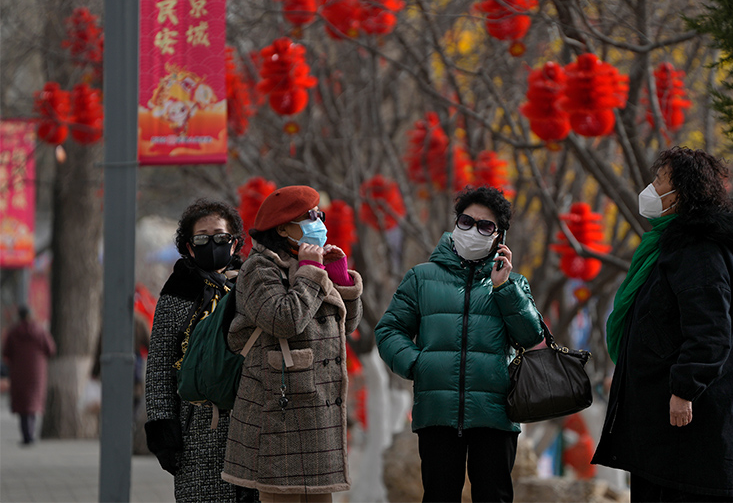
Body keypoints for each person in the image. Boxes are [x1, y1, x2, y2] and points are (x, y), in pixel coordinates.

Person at [591, 147, 733, 502]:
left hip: (689, 434)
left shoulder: (700, 251)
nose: (650, 188)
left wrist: (685, 389)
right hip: (664, 437)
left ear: (681, 194)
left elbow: (711, 332)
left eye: (658, 182)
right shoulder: (671, 246)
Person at [375, 185, 545, 503]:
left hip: (496, 414)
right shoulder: (420, 278)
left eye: (485, 225)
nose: (473, 230)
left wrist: (504, 288)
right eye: (467, 221)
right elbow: (389, 330)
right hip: (437, 412)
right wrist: (417, 364)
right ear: (456, 224)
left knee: (493, 497)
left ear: (499, 236)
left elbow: (532, 338)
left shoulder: (513, 283)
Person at [221, 186, 363, 503]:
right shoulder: (259, 268)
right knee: (279, 496)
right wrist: (311, 273)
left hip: (318, 409)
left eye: (320, 215)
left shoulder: (309, 262)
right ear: (283, 228)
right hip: (279, 410)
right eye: (310, 217)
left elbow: (346, 327)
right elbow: (284, 320)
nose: (319, 223)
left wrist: (338, 277)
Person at [144, 198, 256, 502]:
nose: (212, 244)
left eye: (220, 236)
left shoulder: (253, 286)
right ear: (189, 246)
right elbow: (159, 365)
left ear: (234, 243)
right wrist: (163, 430)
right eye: (202, 238)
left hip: (252, 424)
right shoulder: (177, 292)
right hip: (197, 429)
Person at [2, 305, 56, 446]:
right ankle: (31, 433)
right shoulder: (40, 331)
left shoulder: (13, 333)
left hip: (19, 372)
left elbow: (6, 352)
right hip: (37, 371)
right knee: (33, 402)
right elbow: (51, 349)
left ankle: (26, 435)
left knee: (22, 404)